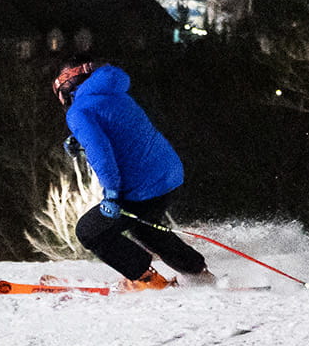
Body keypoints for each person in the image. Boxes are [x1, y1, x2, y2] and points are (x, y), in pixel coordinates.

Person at [54, 62, 214, 291]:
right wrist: (81, 139)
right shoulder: (113, 92)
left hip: (142, 185)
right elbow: (123, 130)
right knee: (146, 228)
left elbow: (102, 156)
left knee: (90, 231)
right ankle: (197, 273)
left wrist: (111, 194)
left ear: (66, 85)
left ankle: (145, 278)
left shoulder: (79, 110)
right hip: (168, 174)